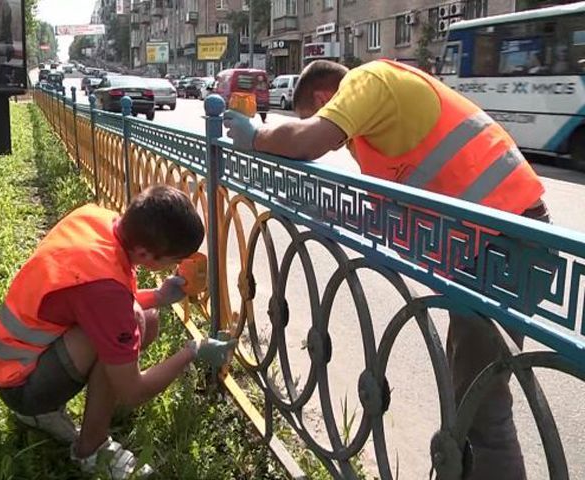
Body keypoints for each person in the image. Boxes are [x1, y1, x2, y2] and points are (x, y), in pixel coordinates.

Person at [224, 59, 551, 480]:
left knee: (483, 411)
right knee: (469, 394)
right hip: (494, 247)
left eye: (317, 111)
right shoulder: (378, 128)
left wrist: (259, 137)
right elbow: (394, 206)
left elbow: (309, 140)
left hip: (505, 246)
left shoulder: (369, 80)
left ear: (325, 98)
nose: (339, 139)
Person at [0, 185, 237, 479]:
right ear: (145, 253)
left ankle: (91, 405)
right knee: (124, 330)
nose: (177, 267)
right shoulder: (104, 292)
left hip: (19, 356)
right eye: (174, 260)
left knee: (147, 318)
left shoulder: (98, 219)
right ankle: (90, 450)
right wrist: (192, 351)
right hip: (22, 385)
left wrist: (157, 296)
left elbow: (96, 297)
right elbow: (133, 392)